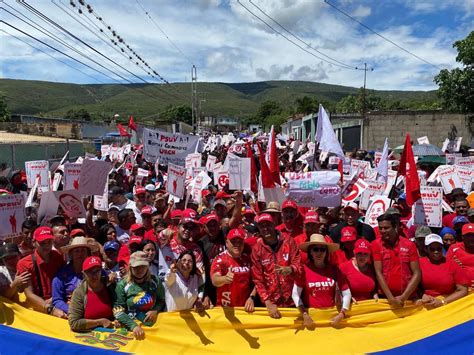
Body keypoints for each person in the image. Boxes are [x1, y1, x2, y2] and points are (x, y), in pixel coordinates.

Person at [292, 234, 351, 328]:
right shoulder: (303, 270)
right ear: (310, 252)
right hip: (311, 318)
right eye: (315, 249)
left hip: (333, 318)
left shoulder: (335, 270)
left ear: (326, 252)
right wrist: (304, 315)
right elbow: (295, 294)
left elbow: (346, 293)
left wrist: (342, 314)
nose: (319, 253)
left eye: (322, 250)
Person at [251, 213, 302, 318]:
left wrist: (291, 269)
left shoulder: (289, 242)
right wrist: (268, 302)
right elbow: (258, 279)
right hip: (271, 305)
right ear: (258, 228)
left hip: (294, 302)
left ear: (274, 224)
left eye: (268, 225)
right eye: (262, 226)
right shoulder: (257, 249)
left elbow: (299, 265)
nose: (265, 229)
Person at [372, 214, 421, 308]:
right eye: (380, 228)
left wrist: (403, 297)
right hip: (385, 299)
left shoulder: (409, 245)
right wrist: (391, 299)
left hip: (408, 298)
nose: (382, 231)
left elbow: (417, 273)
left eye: (386, 228)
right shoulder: (375, 245)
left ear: (395, 227)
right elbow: (378, 273)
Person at [114, 251, 165, 340]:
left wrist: (155, 310)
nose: (139, 269)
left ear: (148, 266)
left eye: (143, 266)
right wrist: (133, 326)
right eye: (136, 267)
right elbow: (118, 311)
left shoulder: (155, 281)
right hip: (132, 330)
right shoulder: (122, 285)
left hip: (153, 329)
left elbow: (161, 299)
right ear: (130, 267)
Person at [16, 226, 66, 317]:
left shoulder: (58, 256)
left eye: (49, 242)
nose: (46, 245)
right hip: (38, 308)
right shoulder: (24, 263)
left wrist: (53, 300)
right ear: (34, 243)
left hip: (58, 301)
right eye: (42, 243)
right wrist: (50, 308)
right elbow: (29, 294)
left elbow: (64, 281)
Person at [418, 234, 469, 308]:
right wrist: (422, 295)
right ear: (426, 249)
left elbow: (463, 289)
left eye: (439, 248)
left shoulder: (452, 263)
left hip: (447, 302)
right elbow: (413, 287)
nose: (436, 251)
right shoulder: (418, 264)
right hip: (425, 302)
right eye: (432, 249)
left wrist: (443, 302)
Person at [211, 228, 255, 310]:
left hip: (245, 309)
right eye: (233, 242)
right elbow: (214, 280)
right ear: (227, 243)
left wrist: (252, 297)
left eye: (240, 242)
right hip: (225, 310)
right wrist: (224, 279)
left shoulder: (247, 259)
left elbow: (257, 280)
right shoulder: (220, 259)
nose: (237, 245)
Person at [69, 256, 116, 332]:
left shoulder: (110, 286)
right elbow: (74, 323)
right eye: (90, 271)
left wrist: (118, 318)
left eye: (97, 271)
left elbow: (119, 307)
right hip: (90, 336)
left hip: (112, 333)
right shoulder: (79, 293)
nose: (94, 275)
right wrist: (99, 322)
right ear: (84, 273)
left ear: (101, 271)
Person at [52, 237, 93, 314]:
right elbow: (57, 300)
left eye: (83, 250)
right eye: (77, 251)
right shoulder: (61, 275)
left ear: (88, 253)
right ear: (71, 254)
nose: (80, 254)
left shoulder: (96, 270)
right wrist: (72, 311)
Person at [446, 223, 474, 287]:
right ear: (462, 237)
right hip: (460, 289)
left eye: (473, 235)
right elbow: (447, 268)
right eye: (468, 235)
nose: (471, 238)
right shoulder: (453, 248)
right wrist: (454, 265)